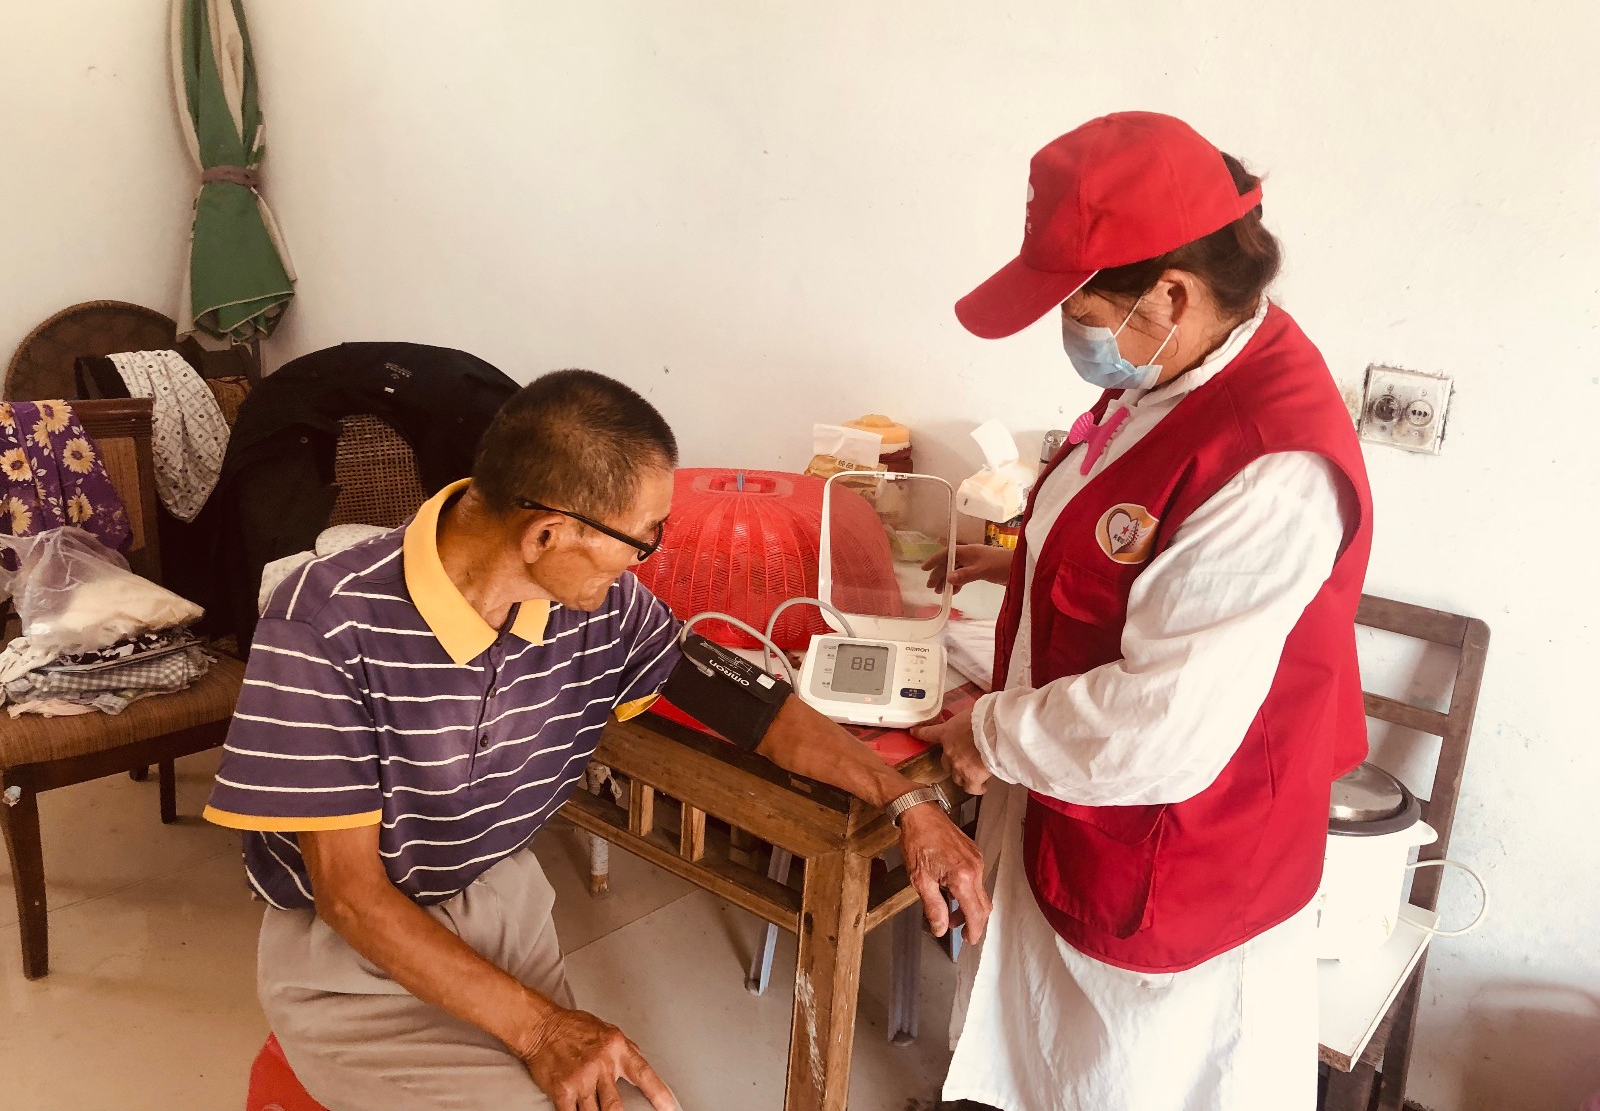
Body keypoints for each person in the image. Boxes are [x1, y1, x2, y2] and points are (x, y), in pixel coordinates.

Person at [203, 368, 989, 1111]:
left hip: (497, 896)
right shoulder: (325, 623)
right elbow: (350, 896)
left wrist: (906, 799)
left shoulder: (602, 607)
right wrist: (541, 1031)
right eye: (643, 537)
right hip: (349, 954)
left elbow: (742, 701)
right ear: (548, 533)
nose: (651, 555)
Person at [913, 112, 1373, 1111]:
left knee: (1127, 1083)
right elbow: (1125, 552)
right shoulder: (1175, 368)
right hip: (1081, 812)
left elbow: (1161, 721)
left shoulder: (1272, 468)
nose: (1070, 332)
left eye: (1079, 307)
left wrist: (987, 730)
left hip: (1177, 854)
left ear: (1171, 293)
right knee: (1047, 1066)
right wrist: (1010, 592)